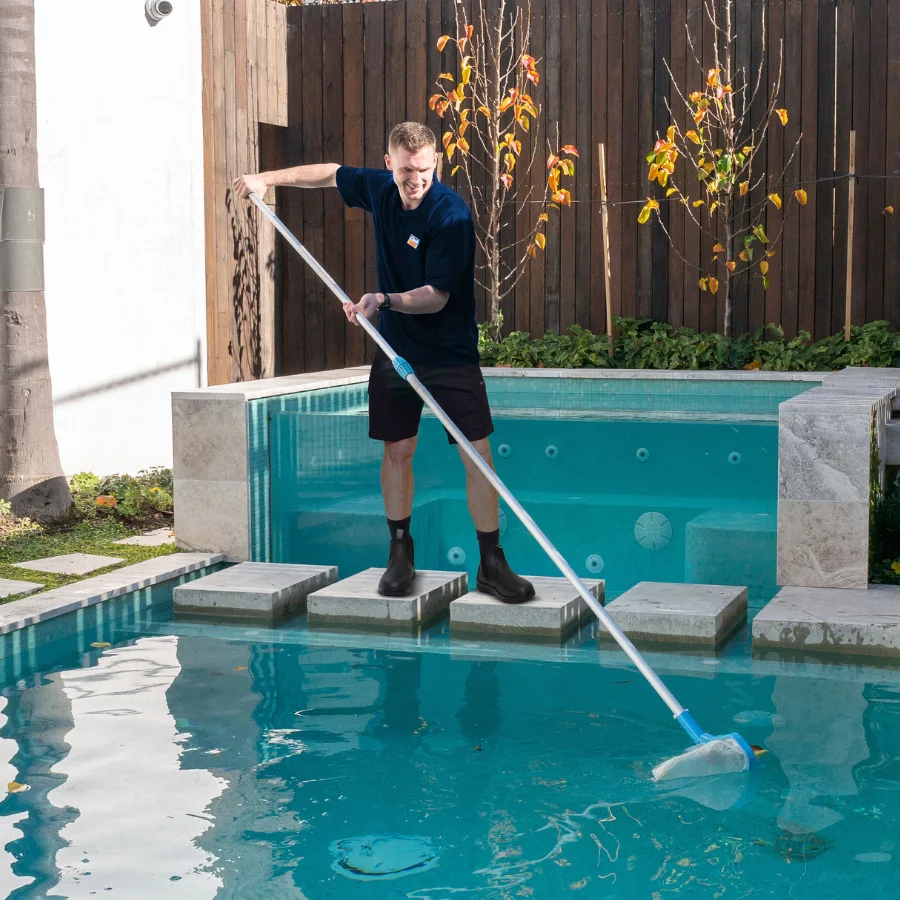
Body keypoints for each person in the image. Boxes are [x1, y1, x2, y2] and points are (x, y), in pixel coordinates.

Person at [233, 121, 534, 603]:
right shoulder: (380, 188)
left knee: (476, 455)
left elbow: (435, 296)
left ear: (435, 162)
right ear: (388, 161)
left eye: (423, 169)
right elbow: (330, 174)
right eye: (405, 170)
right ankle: (400, 552)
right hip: (396, 350)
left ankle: (492, 564)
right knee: (397, 451)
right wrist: (267, 179)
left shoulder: (450, 215)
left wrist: (381, 300)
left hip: (448, 354)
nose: (414, 180)